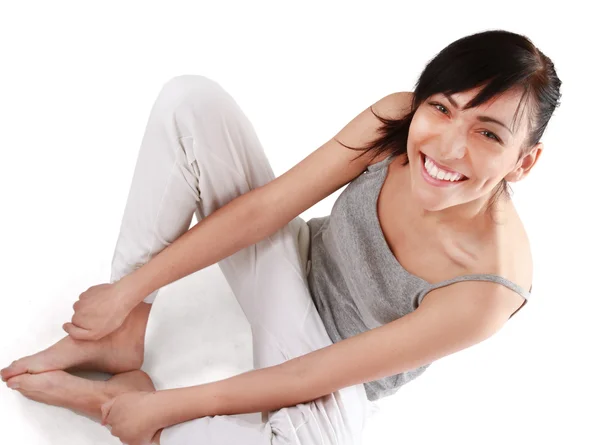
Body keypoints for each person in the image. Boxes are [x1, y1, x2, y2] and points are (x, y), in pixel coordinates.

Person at [1, 29, 561, 445]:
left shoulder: (491, 286)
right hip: (292, 266)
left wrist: (168, 407)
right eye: (442, 108)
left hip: (336, 370)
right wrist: (127, 292)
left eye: (488, 133)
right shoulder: (395, 121)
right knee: (190, 101)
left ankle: (120, 403)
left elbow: (314, 373)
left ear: (524, 162)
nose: (448, 147)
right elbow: (267, 209)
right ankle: (119, 335)